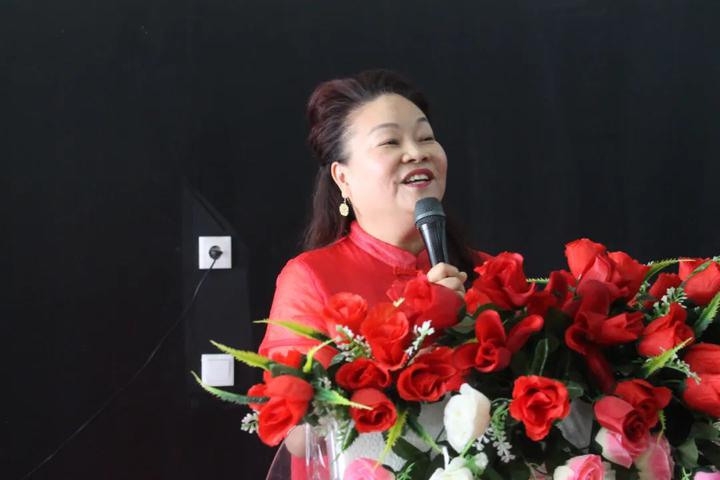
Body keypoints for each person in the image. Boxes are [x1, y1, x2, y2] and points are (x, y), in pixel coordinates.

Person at [257, 68, 489, 474]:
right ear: (343, 177)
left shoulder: (487, 272)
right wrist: (417, 325)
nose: (416, 152)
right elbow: (295, 435)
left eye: (426, 137)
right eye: (390, 142)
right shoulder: (312, 277)